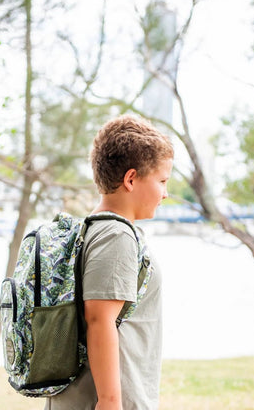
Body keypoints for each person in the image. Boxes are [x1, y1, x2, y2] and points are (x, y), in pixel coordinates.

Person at [45, 114, 174, 410]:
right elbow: (99, 319)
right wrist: (110, 402)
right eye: (162, 180)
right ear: (131, 179)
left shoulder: (89, 230)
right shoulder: (116, 236)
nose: (165, 193)